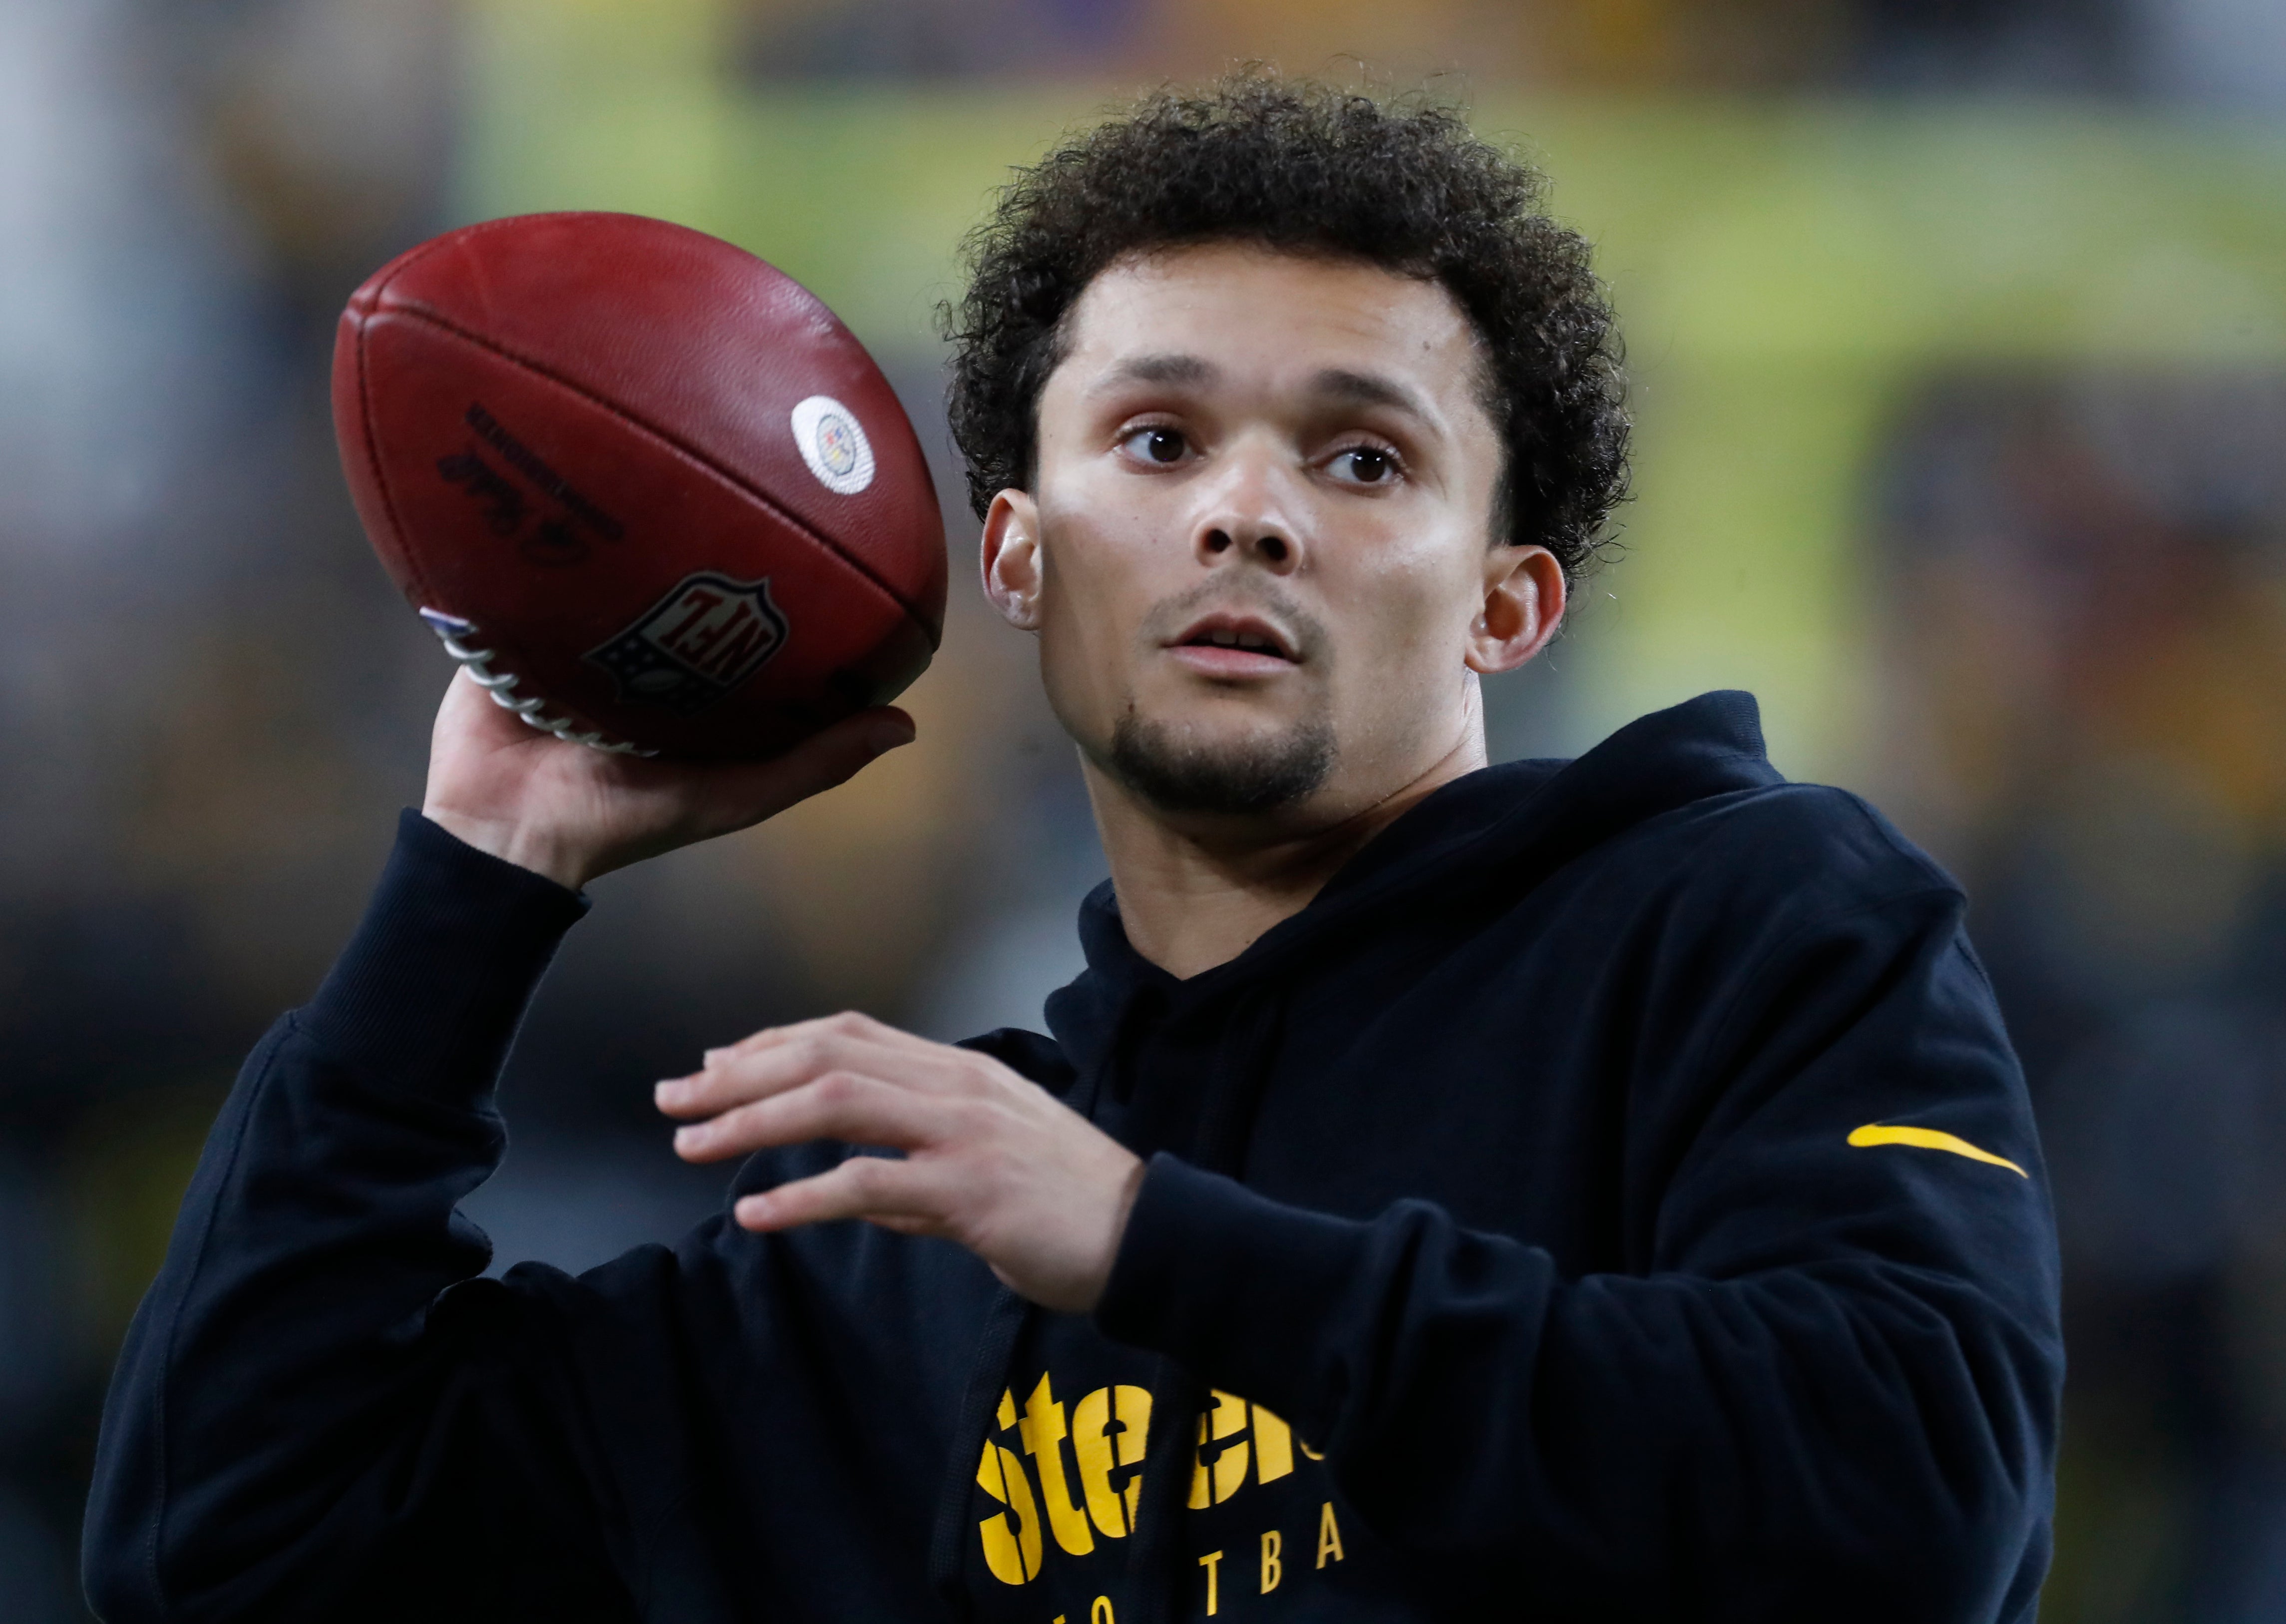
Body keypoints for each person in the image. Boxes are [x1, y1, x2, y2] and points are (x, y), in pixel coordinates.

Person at [83, 77, 2061, 1624]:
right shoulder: (908, 1244)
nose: (1246, 516)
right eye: (1155, 441)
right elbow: (230, 1550)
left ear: (1507, 607)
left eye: (1360, 457)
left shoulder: (1748, 922)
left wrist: (1151, 1245)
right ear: (1020, 560)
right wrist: (479, 874)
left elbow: (1908, 1497)